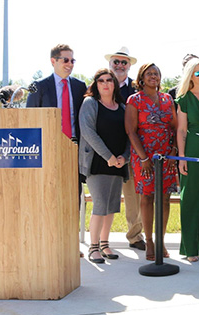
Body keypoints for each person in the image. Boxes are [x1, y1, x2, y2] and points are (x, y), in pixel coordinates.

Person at [26, 44, 87, 258]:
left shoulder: (80, 87)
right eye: (65, 60)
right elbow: (29, 120)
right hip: (47, 151)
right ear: (53, 61)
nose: (70, 64)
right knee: (47, 197)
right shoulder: (38, 87)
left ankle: (71, 244)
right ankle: (47, 242)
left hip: (73, 149)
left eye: (72, 60)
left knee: (73, 197)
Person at [125, 63, 178, 261]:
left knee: (165, 198)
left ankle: (161, 239)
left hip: (166, 157)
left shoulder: (167, 99)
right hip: (144, 157)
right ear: (141, 77)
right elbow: (131, 131)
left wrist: (173, 151)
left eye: (156, 73)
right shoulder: (135, 100)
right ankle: (149, 240)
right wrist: (144, 158)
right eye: (149, 74)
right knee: (147, 197)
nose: (153, 76)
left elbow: (174, 126)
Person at [78, 68, 130, 264]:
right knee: (100, 204)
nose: (106, 84)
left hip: (117, 164)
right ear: (96, 84)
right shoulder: (90, 103)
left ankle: (105, 243)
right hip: (97, 163)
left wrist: (124, 157)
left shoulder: (122, 107)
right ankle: (93, 248)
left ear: (114, 84)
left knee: (111, 206)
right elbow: (88, 132)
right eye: (101, 81)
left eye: (109, 80)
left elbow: (128, 135)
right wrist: (108, 156)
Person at [105, 47, 146, 252]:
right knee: (104, 198)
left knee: (133, 197)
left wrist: (130, 152)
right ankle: (101, 240)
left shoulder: (138, 88)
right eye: (116, 62)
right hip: (105, 152)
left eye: (124, 62)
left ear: (130, 66)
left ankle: (135, 235)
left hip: (131, 151)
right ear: (110, 64)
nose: (120, 66)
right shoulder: (99, 86)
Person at [176, 58, 199, 262]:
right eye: (198, 73)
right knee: (190, 198)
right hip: (192, 149)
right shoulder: (184, 98)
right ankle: (190, 247)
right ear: (190, 76)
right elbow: (181, 130)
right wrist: (182, 157)